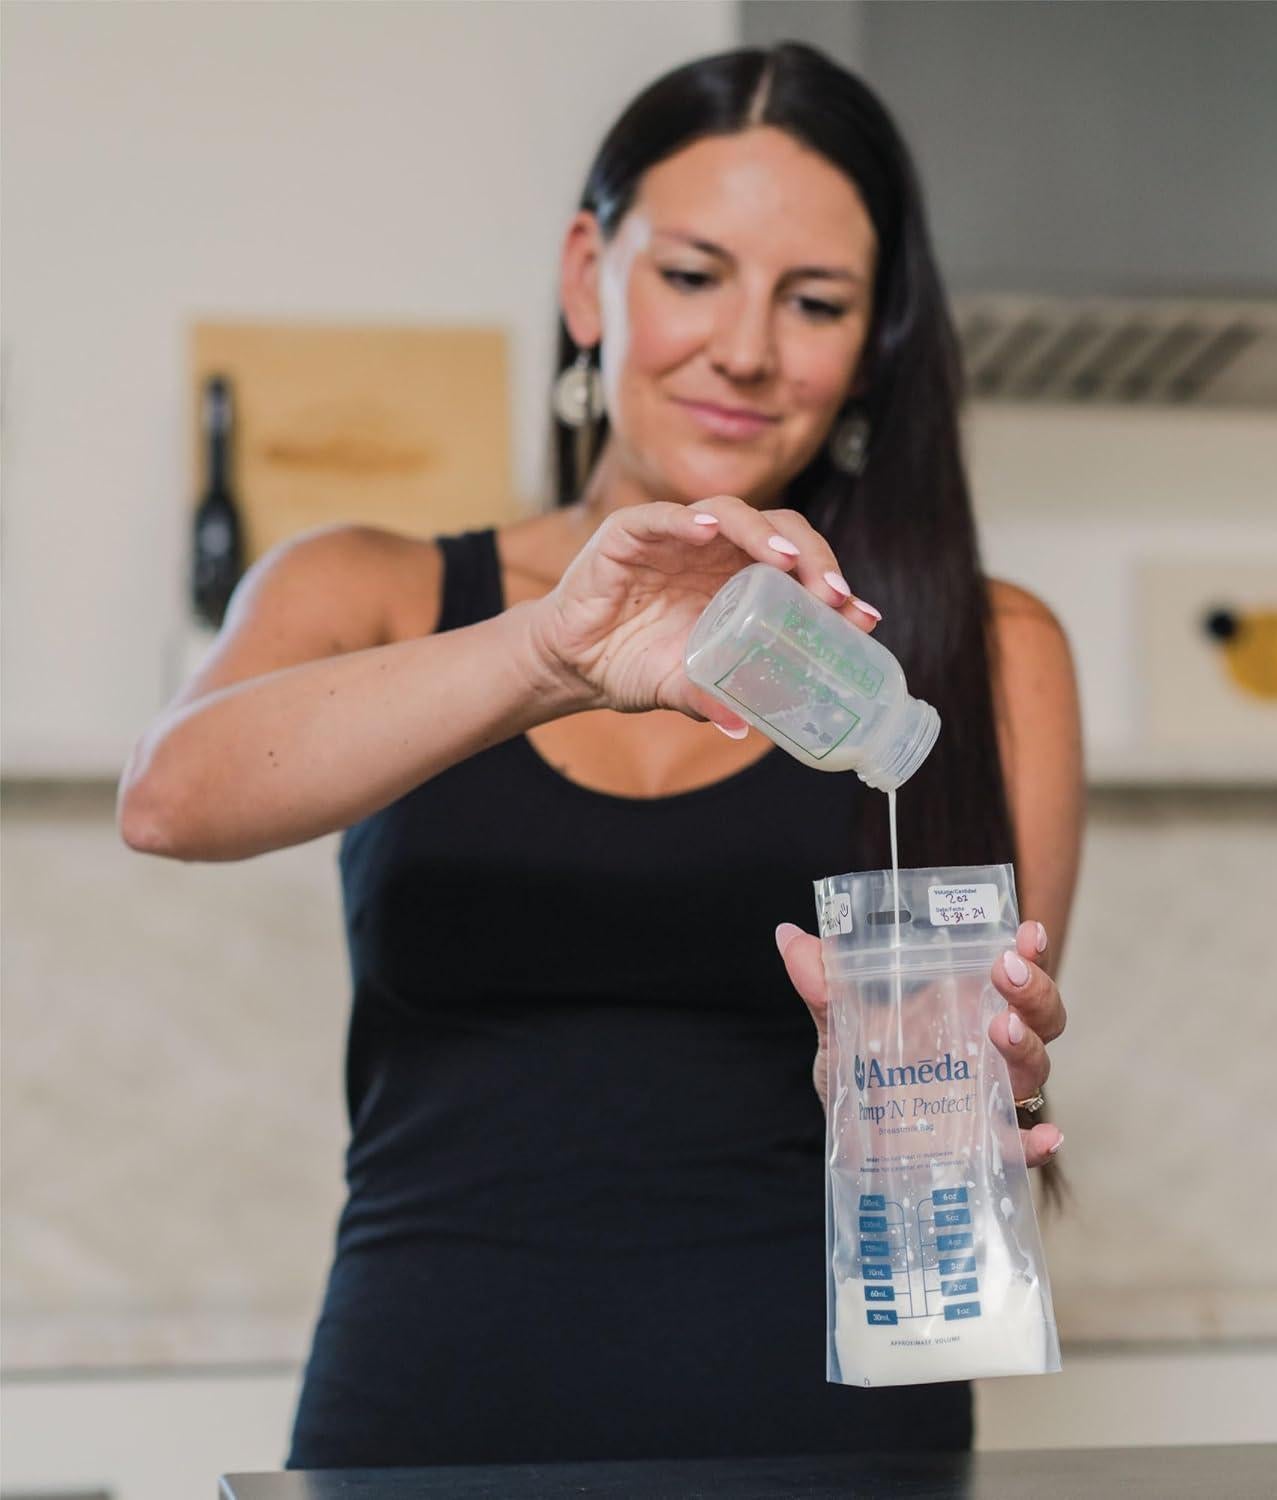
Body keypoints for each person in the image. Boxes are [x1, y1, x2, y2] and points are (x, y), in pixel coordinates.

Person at [118, 41, 1082, 1468]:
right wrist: (552, 652)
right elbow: (171, 797)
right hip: (419, 1424)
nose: (747, 348)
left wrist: (958, 1097)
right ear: (589, 277)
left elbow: (996, 1084)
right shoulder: (372, 584)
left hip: (833, 1439)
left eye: (813, 302)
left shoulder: (988, 649)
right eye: (692, 276)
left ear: (869, 345)